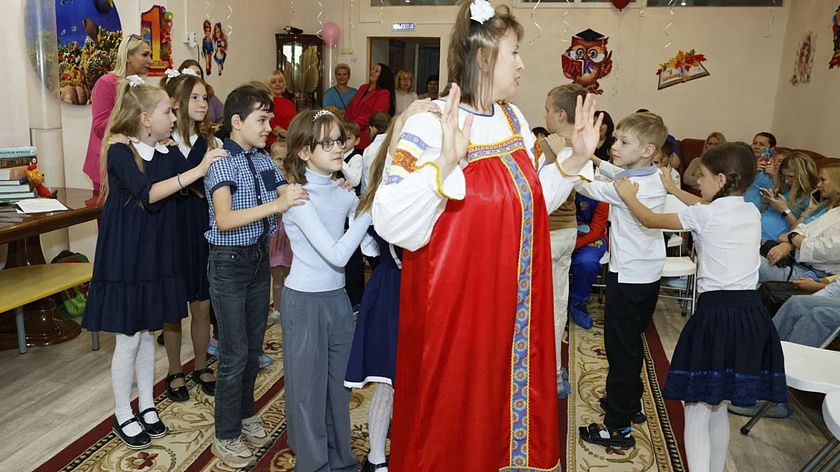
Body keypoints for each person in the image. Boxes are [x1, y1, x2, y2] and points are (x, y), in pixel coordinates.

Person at [371, 1, 600, 468]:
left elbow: (534, 202)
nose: (520, 64)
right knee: (448, 429)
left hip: (509, 313)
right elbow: (389, 220)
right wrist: (445, 165)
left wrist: (574, 159)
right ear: (482, 57)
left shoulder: (514, 121)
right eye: (513, 52)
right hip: (452, 315)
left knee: (494, 428)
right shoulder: (430, 122)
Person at [616, 142, 787, 471]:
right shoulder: (750, 210)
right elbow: (701, 207)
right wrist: (671, 188)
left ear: (721, 180)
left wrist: (628, 196)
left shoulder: (705, 214)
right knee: (718, 404)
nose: (699, 183)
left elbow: (651, 220)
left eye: (704, 177)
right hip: (750, 315)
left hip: (716, 317)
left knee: (696, 407)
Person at [81, 78, 226, 449]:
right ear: (145, 118)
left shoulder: (164, 151)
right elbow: (148, 193)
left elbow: (194, 171)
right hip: (127, 254)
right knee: (129, 338)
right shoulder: (120, 152)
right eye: (168, 111)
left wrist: (203, 133)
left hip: (155, 253)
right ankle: (121, 412)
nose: (173, 117)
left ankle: (146, 404)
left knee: (147, 333)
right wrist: (195, 169)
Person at [204, 82, 308, 468]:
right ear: (236, 121)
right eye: (261, 119)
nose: (269, 127)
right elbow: (226, 219)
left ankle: (244, 413)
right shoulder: (220, 160)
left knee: (252, 348)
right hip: (228, 261)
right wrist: (276, 206)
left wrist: (329, 185)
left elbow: (288, 192)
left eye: (269, 120)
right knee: (233, 354)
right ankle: (225, 436)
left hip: (256, 260)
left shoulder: (263, 159)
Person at [280, 109, 375, 472]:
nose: (339, 148)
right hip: (304, 302)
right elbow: (337, 253)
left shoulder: (339, 190)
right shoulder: (297, 197)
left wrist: (359, 204)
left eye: (340, 140)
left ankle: (342, 461)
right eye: (328, 142)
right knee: (308, 392)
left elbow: (364, 234)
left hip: (337, 301)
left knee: (339, 388)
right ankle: (314, 465)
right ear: (304, 151)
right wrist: (365, 211)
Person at [572, 111, 670, 448]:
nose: (614, 145)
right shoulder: (650, 175)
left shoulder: (632, 187)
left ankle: (617, 426)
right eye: (615, 139)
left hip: (628, 277)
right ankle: (630, 405)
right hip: (647, 275)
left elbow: (587, 185)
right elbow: (615, 172)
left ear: (647, 149)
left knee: (621, 350)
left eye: (622, 142)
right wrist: (596, 157)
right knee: (631, 344)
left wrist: (572, 161)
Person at [159, 69, 222, 401]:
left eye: (205, 98)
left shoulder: (210, 143)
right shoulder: (161, 144)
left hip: (200, 225)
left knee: (201, 300)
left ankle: (199, 365)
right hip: (169, 226)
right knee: (173, 305)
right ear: (177, 103)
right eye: (194, 98)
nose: (202, 103)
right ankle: (173, 369)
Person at [542, 83, 587, 394]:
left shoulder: (547, 146)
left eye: (547, 110)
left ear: (560, 114)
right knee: (558, 303)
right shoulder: (583, 144)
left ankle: (533, 369)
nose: (545, 115)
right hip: (568, 230)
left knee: (532, 305)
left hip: (546, 232)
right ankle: (555, 371)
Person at [84, 34, 151, 191]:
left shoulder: (140, 87)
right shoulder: (106, 83)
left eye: (150, 55)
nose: (150, 60)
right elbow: (100, 127)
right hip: (107, 163)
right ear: (128, 56)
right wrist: (132, 116)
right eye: (145, 55)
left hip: (132, 162)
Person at [759, 164, 840, 284]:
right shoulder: (827, 208)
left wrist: (792, 239)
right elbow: (801, 230)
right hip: (793, 258)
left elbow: (824, 250)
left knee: (746, 261)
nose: (818, 185)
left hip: (812, 271)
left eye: (823, 180)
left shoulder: (830, 211)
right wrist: (792, 240)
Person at [759, 152, 822, 242]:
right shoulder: (786, 189)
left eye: (790, 177)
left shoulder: (814, 199)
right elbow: (767, 213)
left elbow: (798, 232)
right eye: (783, 176)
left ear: (803, 175)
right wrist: (765, 202)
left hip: (768, 240)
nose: (786, 181)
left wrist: (785, 211)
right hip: (756, 229)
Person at [569, 192, 609, 329]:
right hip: (562, 231)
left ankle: (577, 300)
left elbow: (597, 228)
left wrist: (572, 244)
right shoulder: (557, 184)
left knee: (587, 262)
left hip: (590, 236)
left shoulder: (598, 192)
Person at [267, 141, 293, 334]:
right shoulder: (269, 182)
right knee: (277, 277)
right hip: (275, 234)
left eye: (286, 160)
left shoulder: (293, 181)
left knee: (291, 275)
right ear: (270, 159)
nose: (282, 164)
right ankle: (277, 308)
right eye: (278, 159)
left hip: (291, 235)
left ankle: (291, 308)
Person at [345, 63, 395, 149]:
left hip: (365, 137)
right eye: (372, 69)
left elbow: (374, 116)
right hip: (350, 134)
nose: (372, 72)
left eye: (377, 71)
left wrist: (353, 125)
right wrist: (346, 124)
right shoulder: (363, 88)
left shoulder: (383, 93)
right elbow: (351, 105)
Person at [176, 59, 224, 125]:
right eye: (191, 73)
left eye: (198, 73)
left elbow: (224, 117)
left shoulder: (210, 95)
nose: (196, 76)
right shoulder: (178, 97)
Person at [743, 132, 777, 209]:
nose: (756, 147)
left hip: (763, 206)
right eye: (754, 143)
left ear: (772, 148)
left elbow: (780, 191)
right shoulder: (744, 161)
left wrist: (773, 175)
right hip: (742, 201)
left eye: (762, 144)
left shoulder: (776, 164)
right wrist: (753, 171)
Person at [361, 111, 392, 193]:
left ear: (371, 129)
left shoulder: (368, 150)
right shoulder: (397, 144)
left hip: (373, 195)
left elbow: (366, 179)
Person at [265, 70, 298, 148]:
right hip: (273, 145)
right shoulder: (267, 102)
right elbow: (269, 123)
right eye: (273, 82)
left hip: (289, 142)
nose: (278, 84)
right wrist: (285, 135)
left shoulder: (289, 102)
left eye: (280, 81)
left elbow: (296, 122)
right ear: (268, 85)